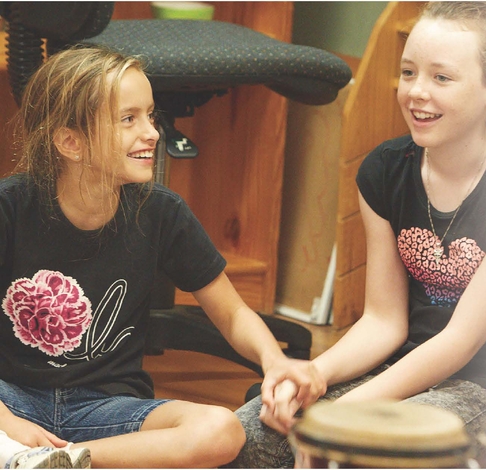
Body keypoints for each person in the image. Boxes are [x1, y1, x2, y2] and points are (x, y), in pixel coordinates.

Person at [229, 2, 486, 467]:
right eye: (408, 72)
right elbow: (384, 321)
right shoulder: (382, 170)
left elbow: (460, 341)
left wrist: (337, 417)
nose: (417, 92)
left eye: (442, 78)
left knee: (363, 453)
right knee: (248, 437)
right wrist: (315, 375)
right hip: (402, 366)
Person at [0, 46, 322, 468]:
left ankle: (55, 461)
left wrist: (274, 359)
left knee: (221, 430)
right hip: (11, 398)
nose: (152, 132)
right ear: (70, 141)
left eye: (150, 116)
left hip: (106, 408)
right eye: (128, 119)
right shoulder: (10, 208)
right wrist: (5, 418)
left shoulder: (162, 212)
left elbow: (232, 314)